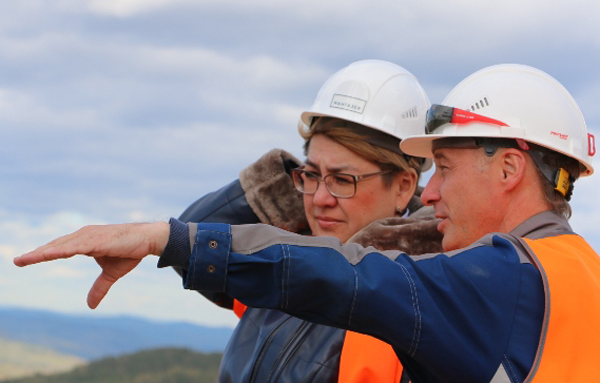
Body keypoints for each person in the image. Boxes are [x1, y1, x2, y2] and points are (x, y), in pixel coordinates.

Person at [14, 64, 600, 382]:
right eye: (310, 175)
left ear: (510, 168)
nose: (433, 190)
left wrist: (167, 238)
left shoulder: (483, 281)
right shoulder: (575, 274)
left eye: (443, 168)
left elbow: (350, 277)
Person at [172, 59, 443, 382]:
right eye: (311, 174)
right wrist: (282, 196)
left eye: (343, 180)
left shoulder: (415, 304)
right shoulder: (287, 259)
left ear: (403, 186)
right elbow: (193, 246)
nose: (319, 199)